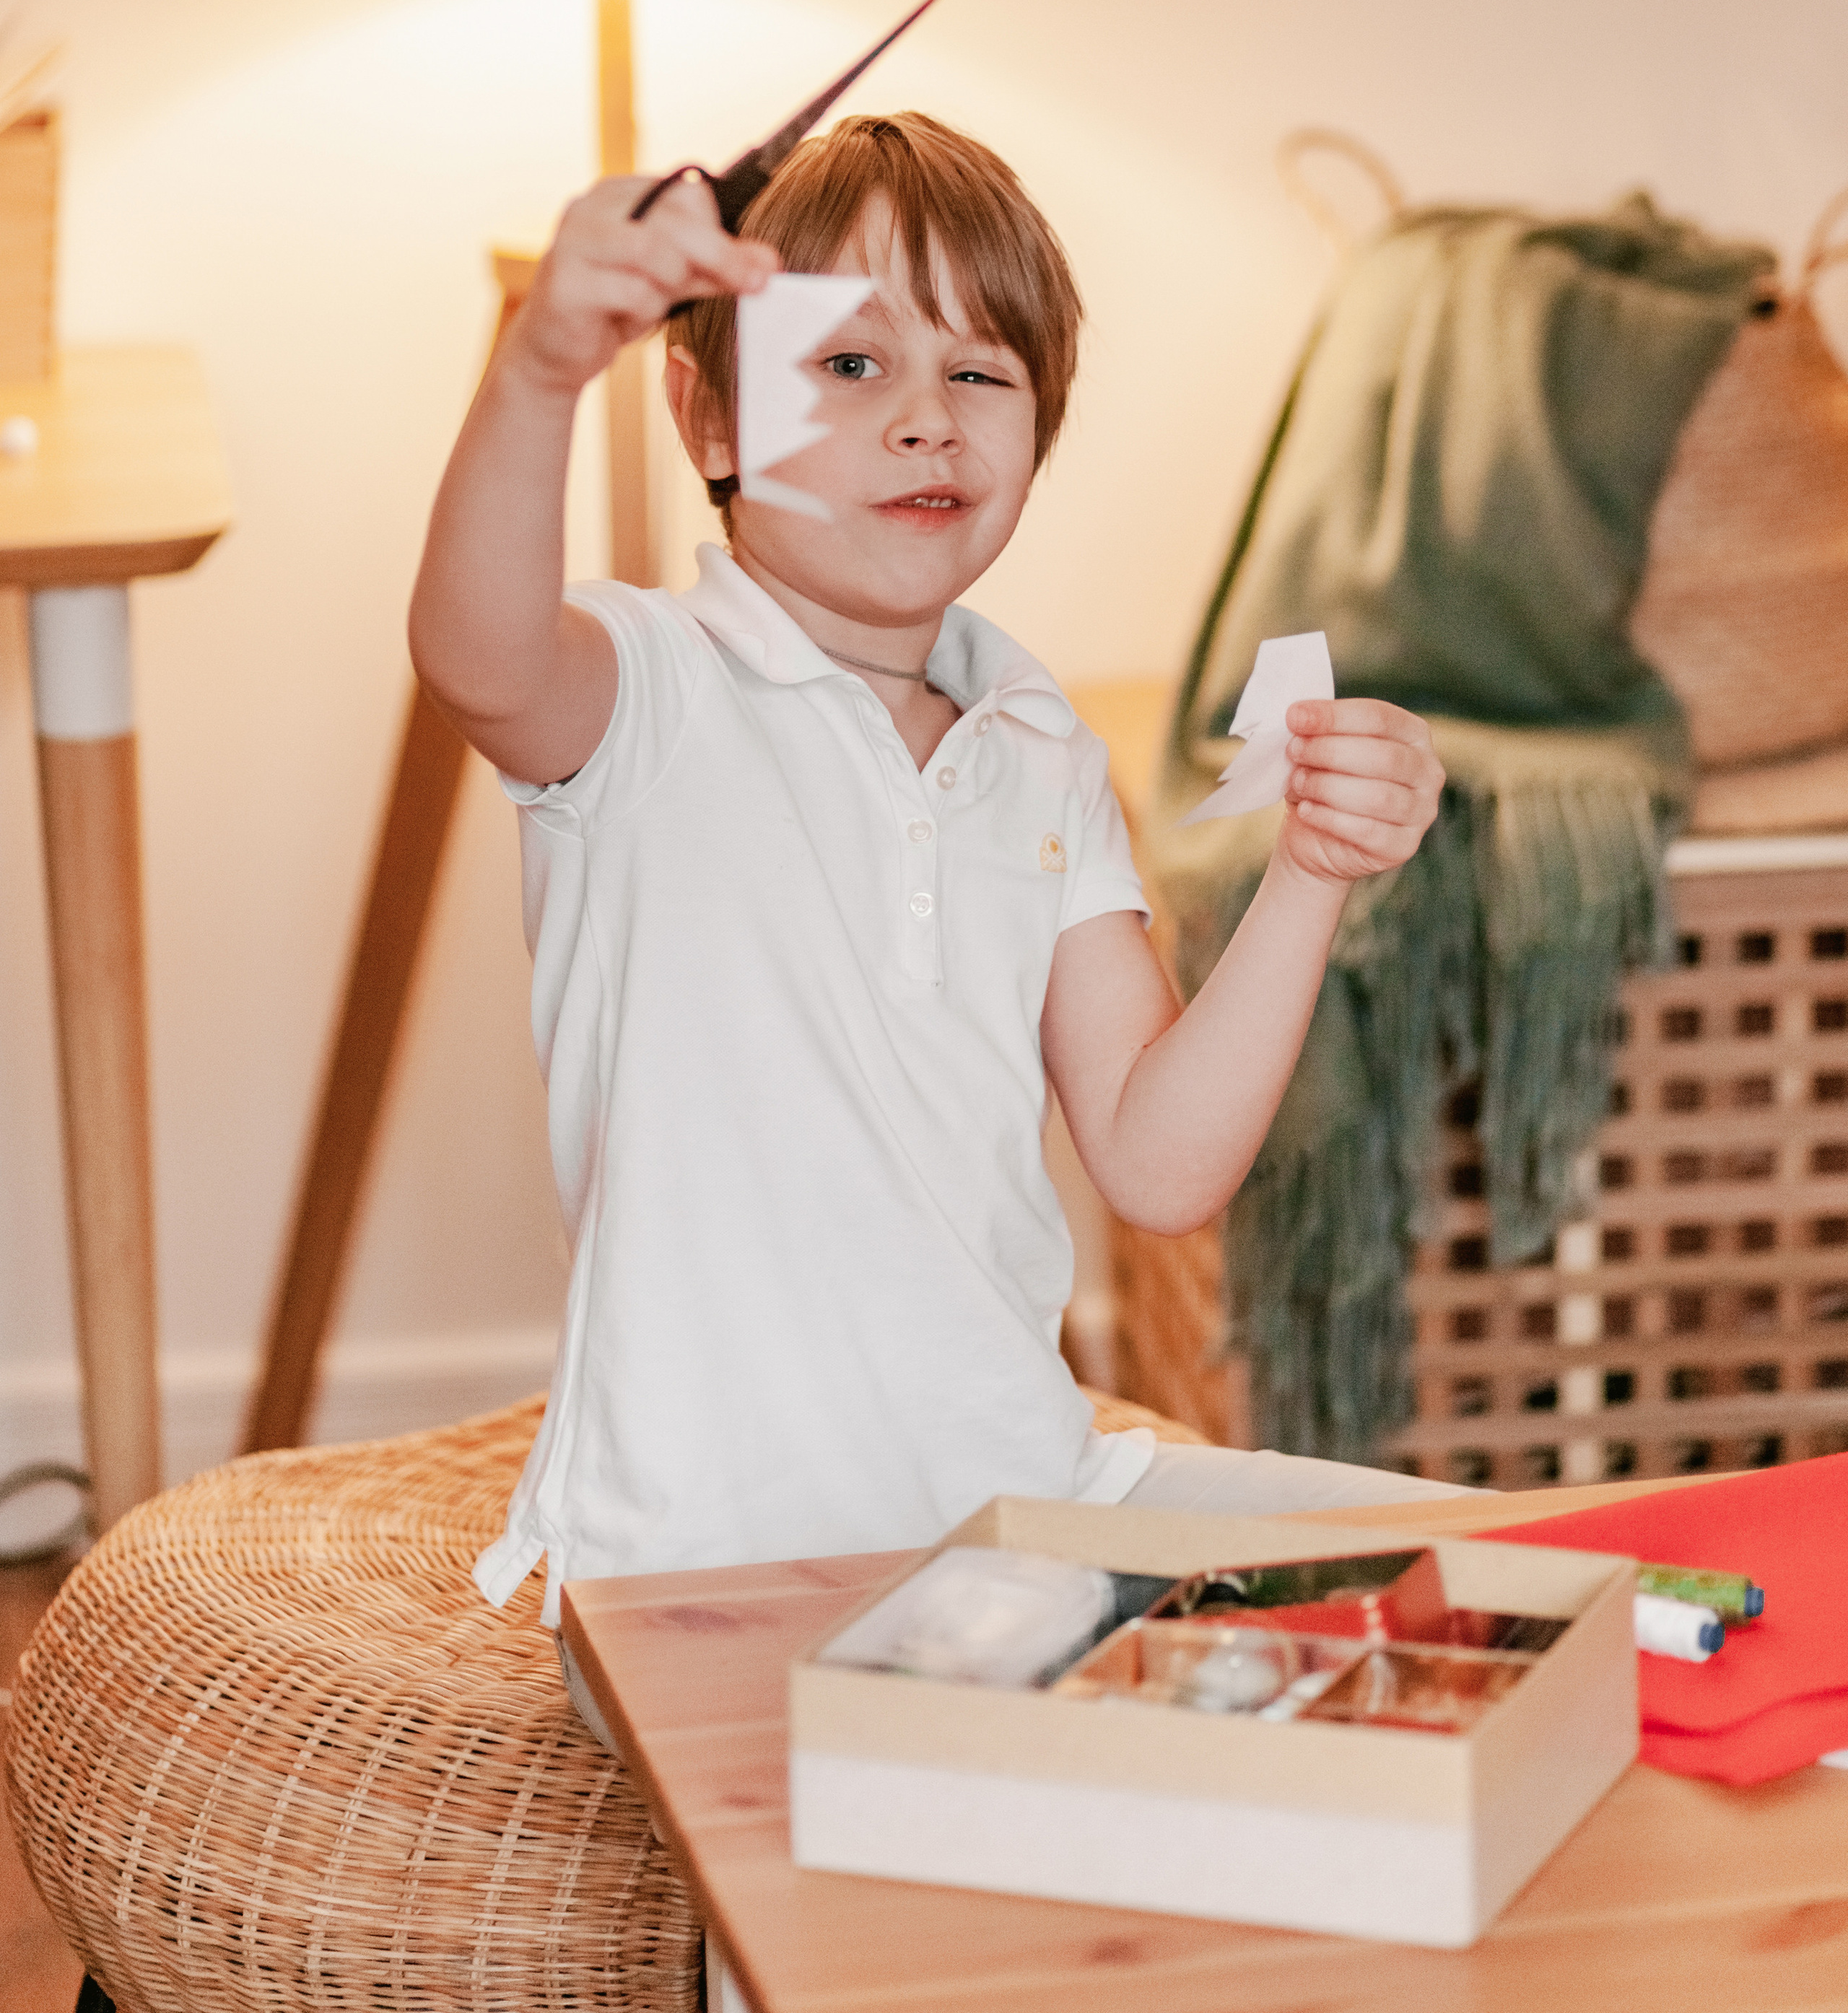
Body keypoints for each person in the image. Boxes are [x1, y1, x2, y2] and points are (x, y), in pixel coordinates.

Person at [408, 108, 1463, 1740]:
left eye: (980, 375)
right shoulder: (642, 693)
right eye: (848, 367)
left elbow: (1158, 1160)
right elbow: (476, 652)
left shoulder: (1037, 746)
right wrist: (544, 366)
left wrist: (1312, 868)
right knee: (901, 1848)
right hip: (708, 1558)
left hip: (1015, 1504)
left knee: (1470, 1577)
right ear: (703, 413)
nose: (926, 422)